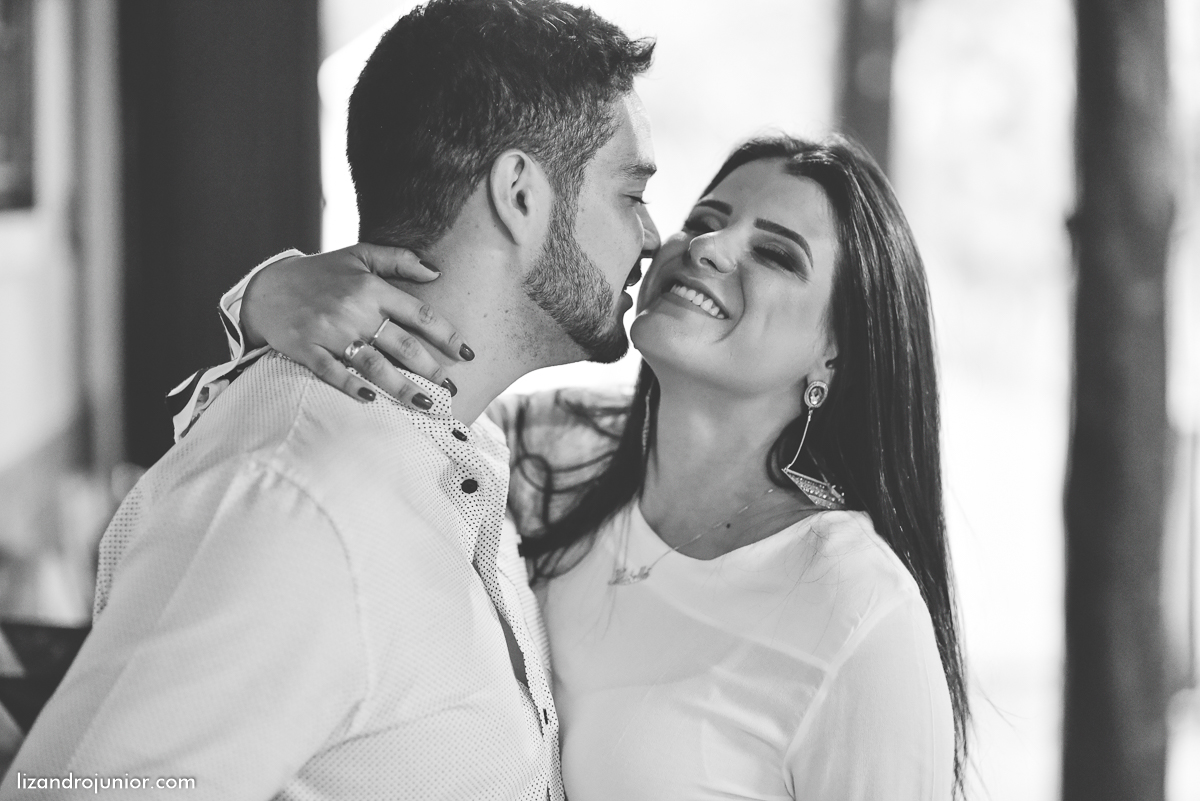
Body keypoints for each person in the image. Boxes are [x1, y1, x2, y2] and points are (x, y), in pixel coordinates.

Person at [183, 135, 971, 799]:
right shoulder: (530, 453)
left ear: (836, 349)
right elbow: (339, 429)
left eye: (775, 254)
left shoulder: (858, 612)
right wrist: (261, 296)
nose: (705, 246)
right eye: (706, 218)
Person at [3, 2, 657, 799]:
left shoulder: (459, 440)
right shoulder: (293, 499)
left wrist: (254, 297)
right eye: (631, 193)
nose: (655, 236)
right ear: (520, 193)